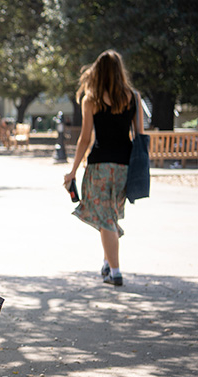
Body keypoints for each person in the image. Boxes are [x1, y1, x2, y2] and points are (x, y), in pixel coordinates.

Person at [64, 49, 143, 287]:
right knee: (109, 215)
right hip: (124, 166)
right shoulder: (133, 97)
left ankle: (116, 272)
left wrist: (73, 170)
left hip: (98, 166)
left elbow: (85, 138)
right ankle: (108, 263)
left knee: (106, 218)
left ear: (98, 71)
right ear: (120, 71)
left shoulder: (92, 99)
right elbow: (139, 135)